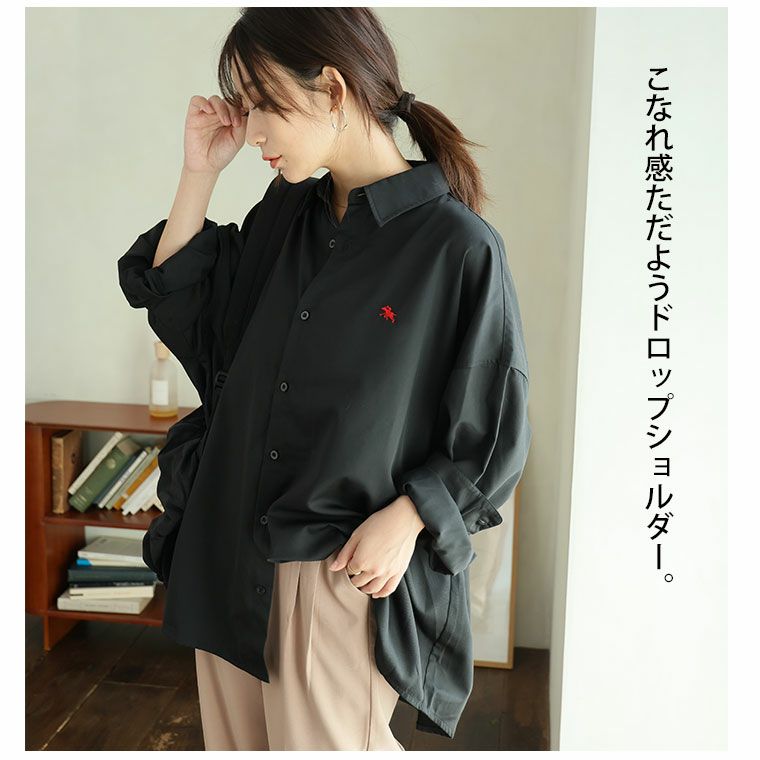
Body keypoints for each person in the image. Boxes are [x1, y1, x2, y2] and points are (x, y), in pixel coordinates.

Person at [117, 6, 532, 752]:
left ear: (332, 89)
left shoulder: (456, 248)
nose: (253, 132)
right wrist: (198, 174)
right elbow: (203, 332)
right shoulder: (285, 215)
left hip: (335, 569)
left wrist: (409, 517)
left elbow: (491, 433)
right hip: (227, 546)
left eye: (264, 105)